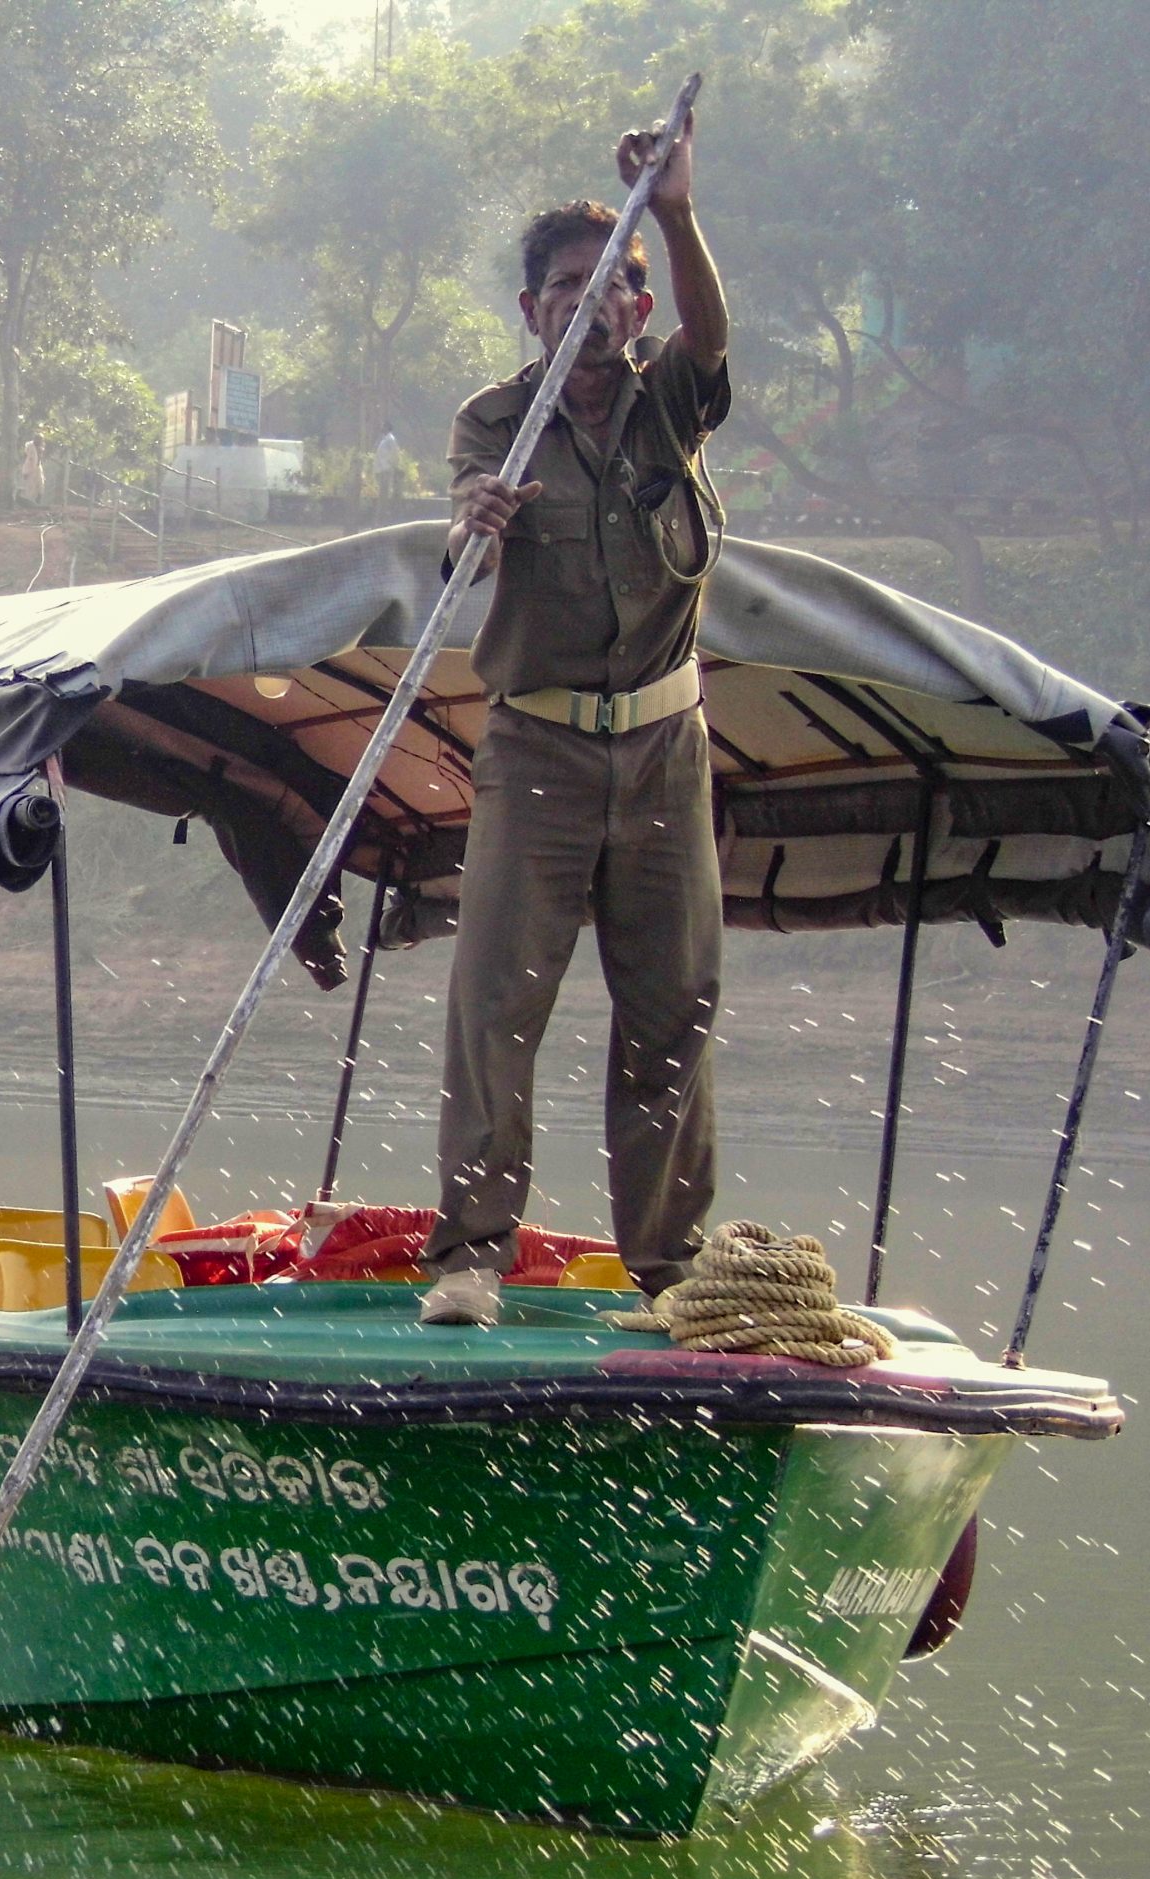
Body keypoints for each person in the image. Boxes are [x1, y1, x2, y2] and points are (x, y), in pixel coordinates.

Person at [416, 114, 730, 1330]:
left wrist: (678, 212)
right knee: (495, 1002)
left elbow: (715, 337)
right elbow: (459, 530)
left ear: (634, 311)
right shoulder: (494, 422)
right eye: (564, 289)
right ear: (530, 309)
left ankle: (669, 1270)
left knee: (672, 1007)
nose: (587, 308)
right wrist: (473, 525)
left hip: (665, 751)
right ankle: (471, 1259)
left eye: (611, 289)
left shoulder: (672, 409)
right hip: (537, 749)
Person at [373, 422, 403, 504]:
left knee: (385, 492)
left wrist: (391, 465)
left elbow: (395, 453)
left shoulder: (390, 439)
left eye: (383, 426)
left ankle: (384, 509)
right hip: (381, 469)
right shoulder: (385, 439)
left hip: (386, 469)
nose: (381, 428)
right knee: (382, 492)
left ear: (387, 428)